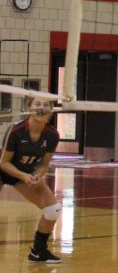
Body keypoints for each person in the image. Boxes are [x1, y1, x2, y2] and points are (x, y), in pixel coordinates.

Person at [0, 96, 62, 263]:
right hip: (3, 169)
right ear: (29, 108)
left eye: (46, 105)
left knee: (53, 210)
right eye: (37, 104)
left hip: (24, 173)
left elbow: (44, 164)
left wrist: (37, 175)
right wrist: (24, 176)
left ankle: (38, 252)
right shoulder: (16, 130)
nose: (41, 108)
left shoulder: (52, 135)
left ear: (51, 110)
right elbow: (4, 163)